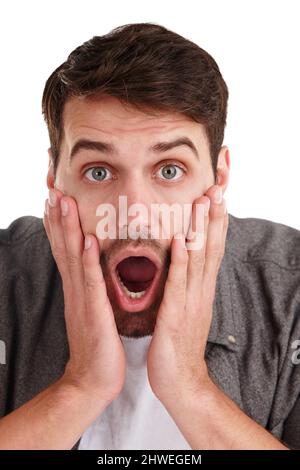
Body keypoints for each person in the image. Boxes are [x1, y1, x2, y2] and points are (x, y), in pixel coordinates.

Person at [0, 22, 299, 450]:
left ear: (218, 177)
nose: (135, 213)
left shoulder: (290, 289)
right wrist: (80, 385)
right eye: (98, 171)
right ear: (54, 179)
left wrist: (190, 388)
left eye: (170, 170)